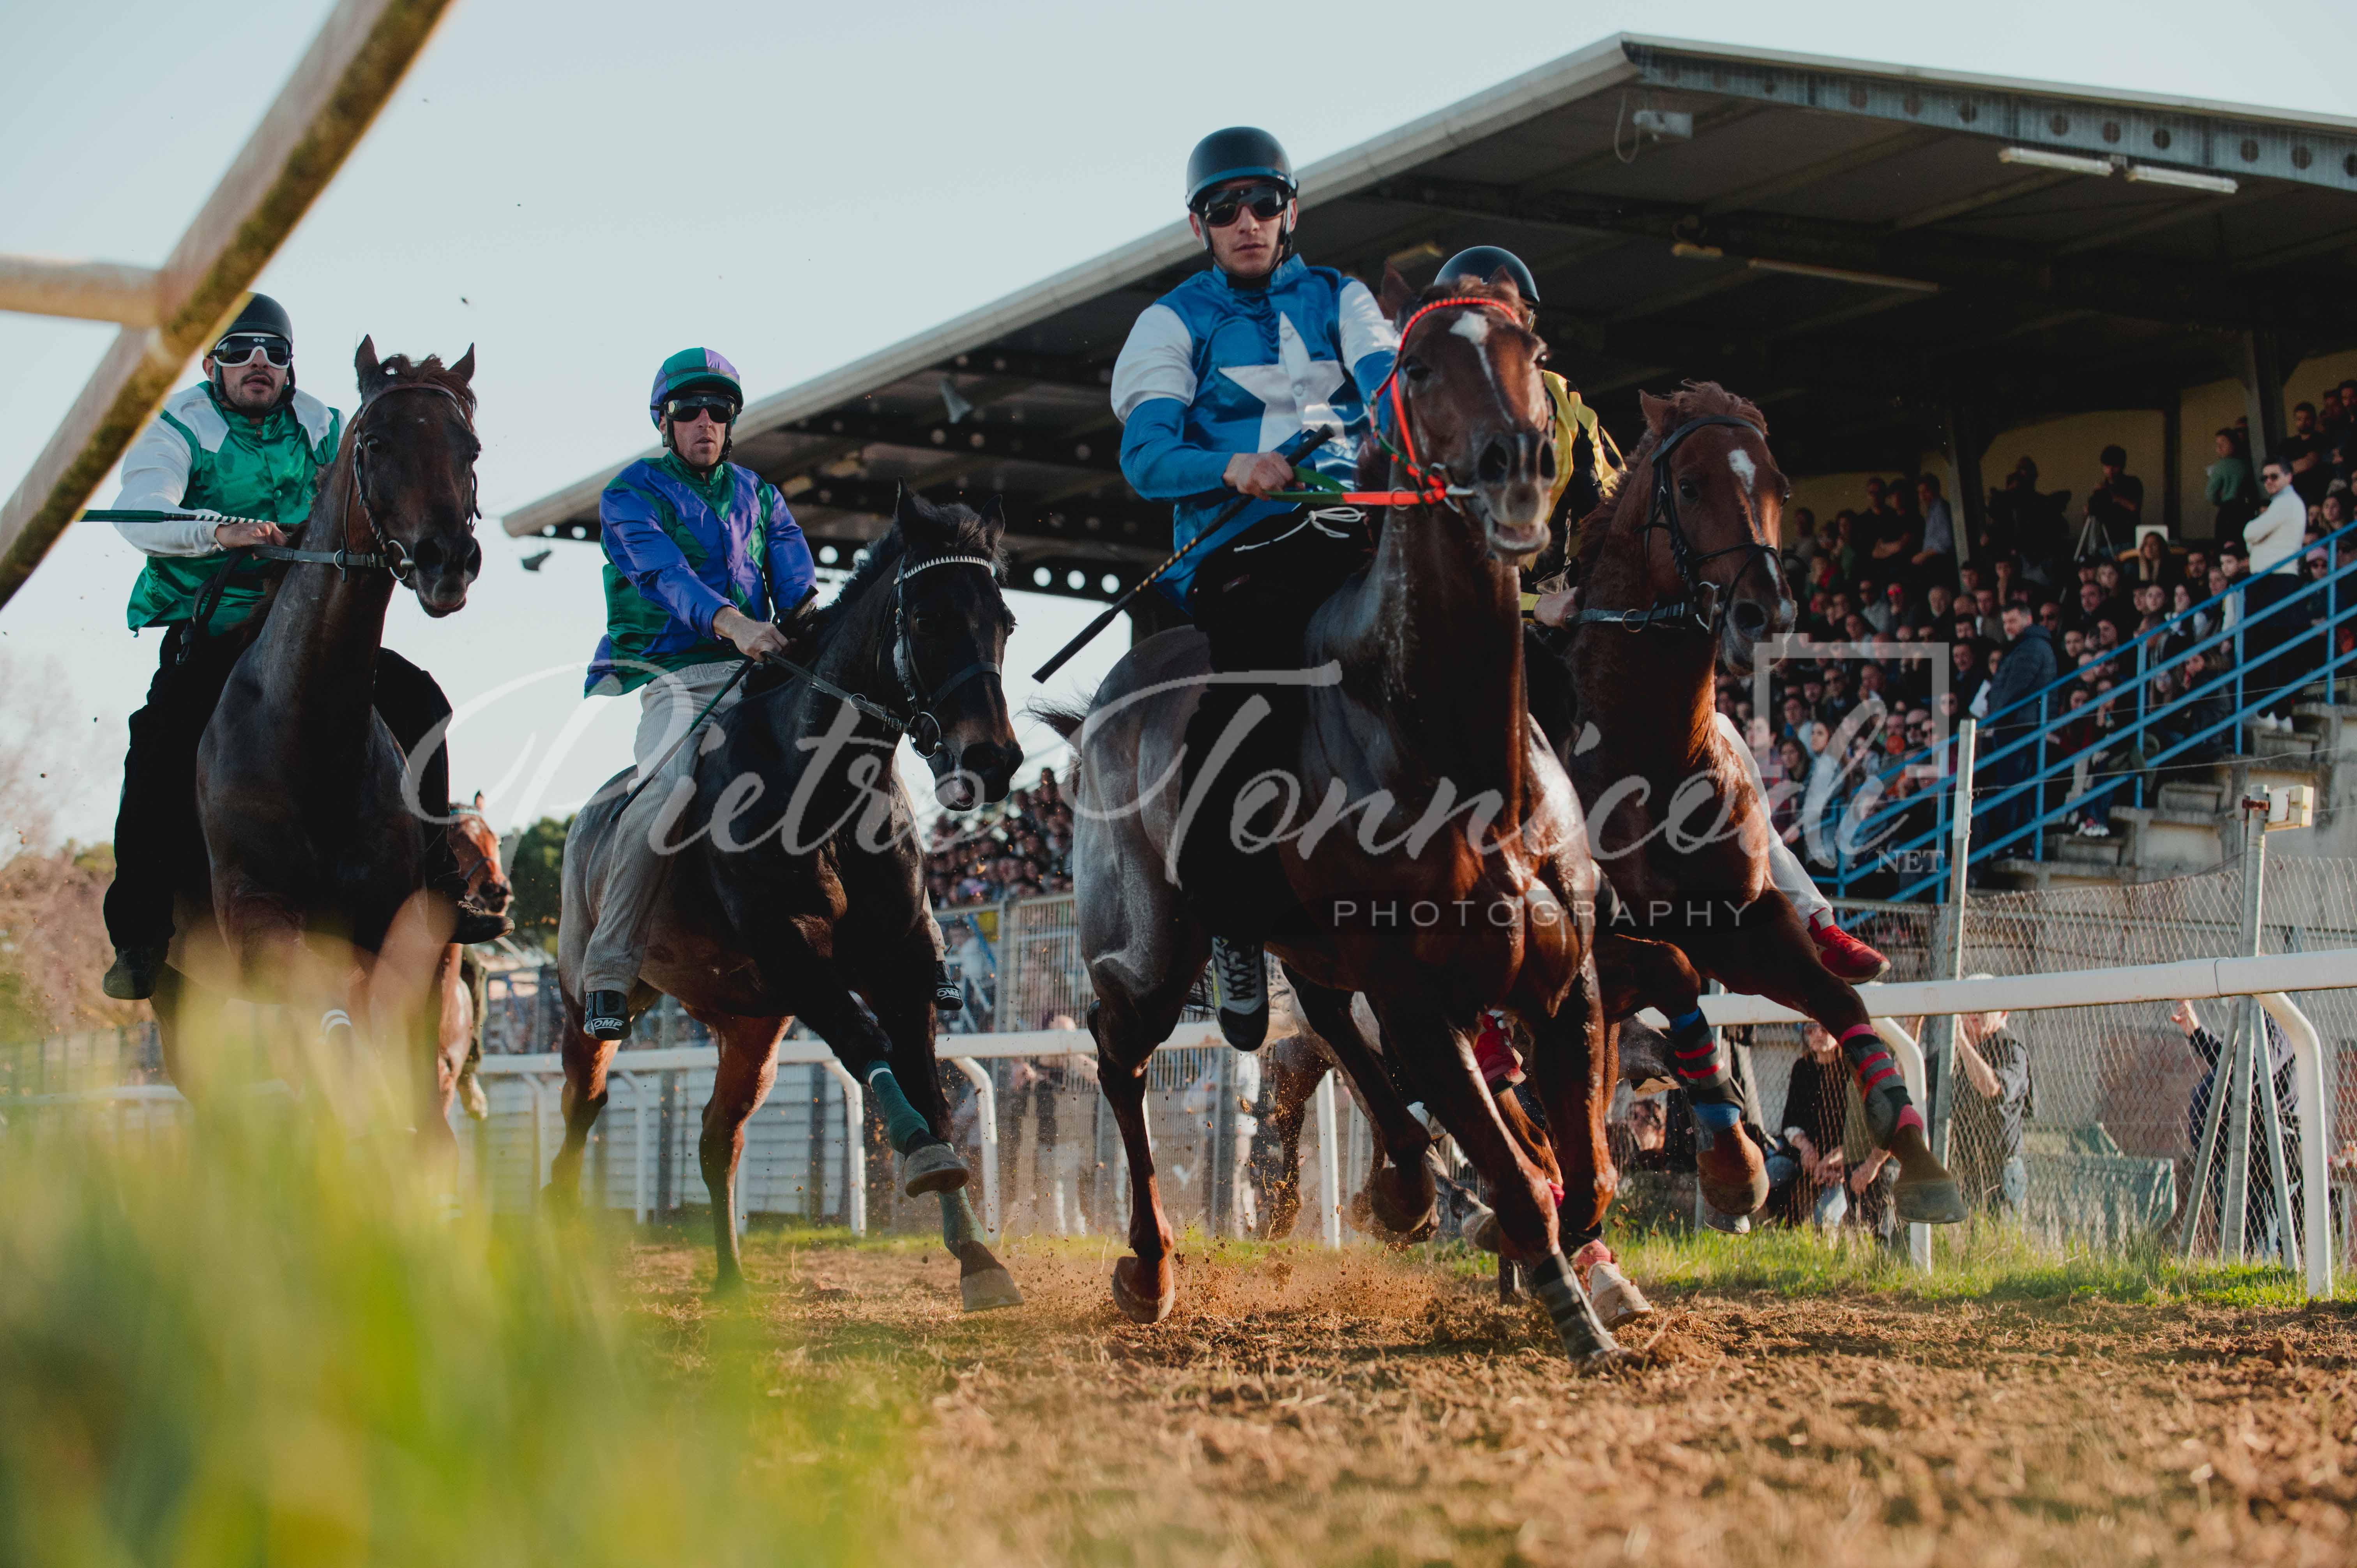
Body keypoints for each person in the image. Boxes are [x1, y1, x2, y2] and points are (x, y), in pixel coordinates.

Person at [99, 293, 506, 1000]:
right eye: (240, 351)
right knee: (157, 739)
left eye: (274, 352)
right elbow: (142, 511)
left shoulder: (325, 423)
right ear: (211, 363)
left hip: (319, 631)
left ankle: (439, 876)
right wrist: (219, 531)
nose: (258, 364)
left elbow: (370, 495)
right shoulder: (176, 425)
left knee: (421, 699)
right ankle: (139, 929)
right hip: (215, 630)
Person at [1108, 126, 1398, 1051]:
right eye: (1226, 209)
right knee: (1257, 701)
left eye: (1264, 203)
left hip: (1354, 532)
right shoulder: (1170, 321)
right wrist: (1236, 465)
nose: (1248, 222)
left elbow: (1390, 385)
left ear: (1292, 211)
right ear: (1199, 223)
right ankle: (1231, 916)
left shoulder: (1341, 297)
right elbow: (1147, 455)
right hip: (1244, 553)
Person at [575, 349, 821, 1040]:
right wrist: (733, 622)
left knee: (862, 759)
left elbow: (797, 585)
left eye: (719, 409)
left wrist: (812, 631)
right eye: (688, 410)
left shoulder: (762, 495)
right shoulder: (629, 494)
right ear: (665, 421)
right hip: (677, 678)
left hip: (766, 674)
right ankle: (609, 969)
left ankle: (924, 942)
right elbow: (663, 576)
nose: (704, 420)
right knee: (666, 789)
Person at [2242, 455, 2311, 727]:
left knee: (2268, 645)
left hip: (2275, 581)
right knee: (2271, 645)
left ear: (2288, 477)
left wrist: (2256, 533)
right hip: (2273, 580)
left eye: (2275, 476)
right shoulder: (2281, 505)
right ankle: (2276, 714)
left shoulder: (2287, 503)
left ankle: (2267, 713)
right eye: (2265, 478)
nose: (2269, 482)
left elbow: (2250, 533)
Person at [1949, 985, 2032, 1215]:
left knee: (1997, 1245)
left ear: (2003, 1014)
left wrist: (1962, 1041)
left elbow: (1993, 1088)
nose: (1973, 1013)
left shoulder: (2011, 1051)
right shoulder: (1953, 1054)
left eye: (1982, 1006)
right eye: (1968, 1006)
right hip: (1962, 1173)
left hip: (2000, 1174)